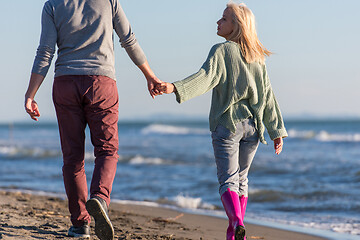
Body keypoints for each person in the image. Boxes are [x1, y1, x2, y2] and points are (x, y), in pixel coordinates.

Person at [24, 0, 161, 239]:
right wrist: (150, 76)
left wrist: (31, 94)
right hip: (101, 83)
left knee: (73, 157)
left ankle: (80, 225)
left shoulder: (53, 5)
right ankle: (99, 198)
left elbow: (45, 51)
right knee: (107, 150)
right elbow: (129, 39)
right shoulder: (109, 1)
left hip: (66, 83)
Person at [157, 3, 287, 240]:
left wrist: (174, 87)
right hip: (254, 128)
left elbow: (205, 78)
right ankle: (234, 232)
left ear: (236, 26)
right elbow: (267, 95)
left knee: (228, 180)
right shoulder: (257, 57)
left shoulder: (222, 51)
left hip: (227, 124)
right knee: (242, 179)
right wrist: (276, 130)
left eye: (224, 19)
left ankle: (237, 223)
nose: (218, 22)